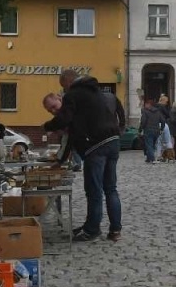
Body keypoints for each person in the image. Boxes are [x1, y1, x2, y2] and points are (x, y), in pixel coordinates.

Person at [43, 69, 125, 241]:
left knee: (94, 190)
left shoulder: (74, 94)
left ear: (67, 82)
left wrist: (47, 126)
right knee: (111, 188)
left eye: (63, 87)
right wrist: (62, 158)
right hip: (113, 141)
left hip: (96, 146)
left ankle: (92, 230)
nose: (63, 91)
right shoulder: (95, 91)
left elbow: (65, 120)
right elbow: (73, 132)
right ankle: (115, 230)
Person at [138, 97, 164, 163]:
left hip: (148, 130)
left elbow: (143, 122)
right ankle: (148, 158)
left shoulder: (145, 112)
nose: (145, 105)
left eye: (146, 104)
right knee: (152, 145)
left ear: (149, 104)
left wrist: (140, 129)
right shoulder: (158, 112)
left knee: (149, 145)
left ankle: (152, 158)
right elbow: (163, 121)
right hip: (156, 131)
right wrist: (161, 129)